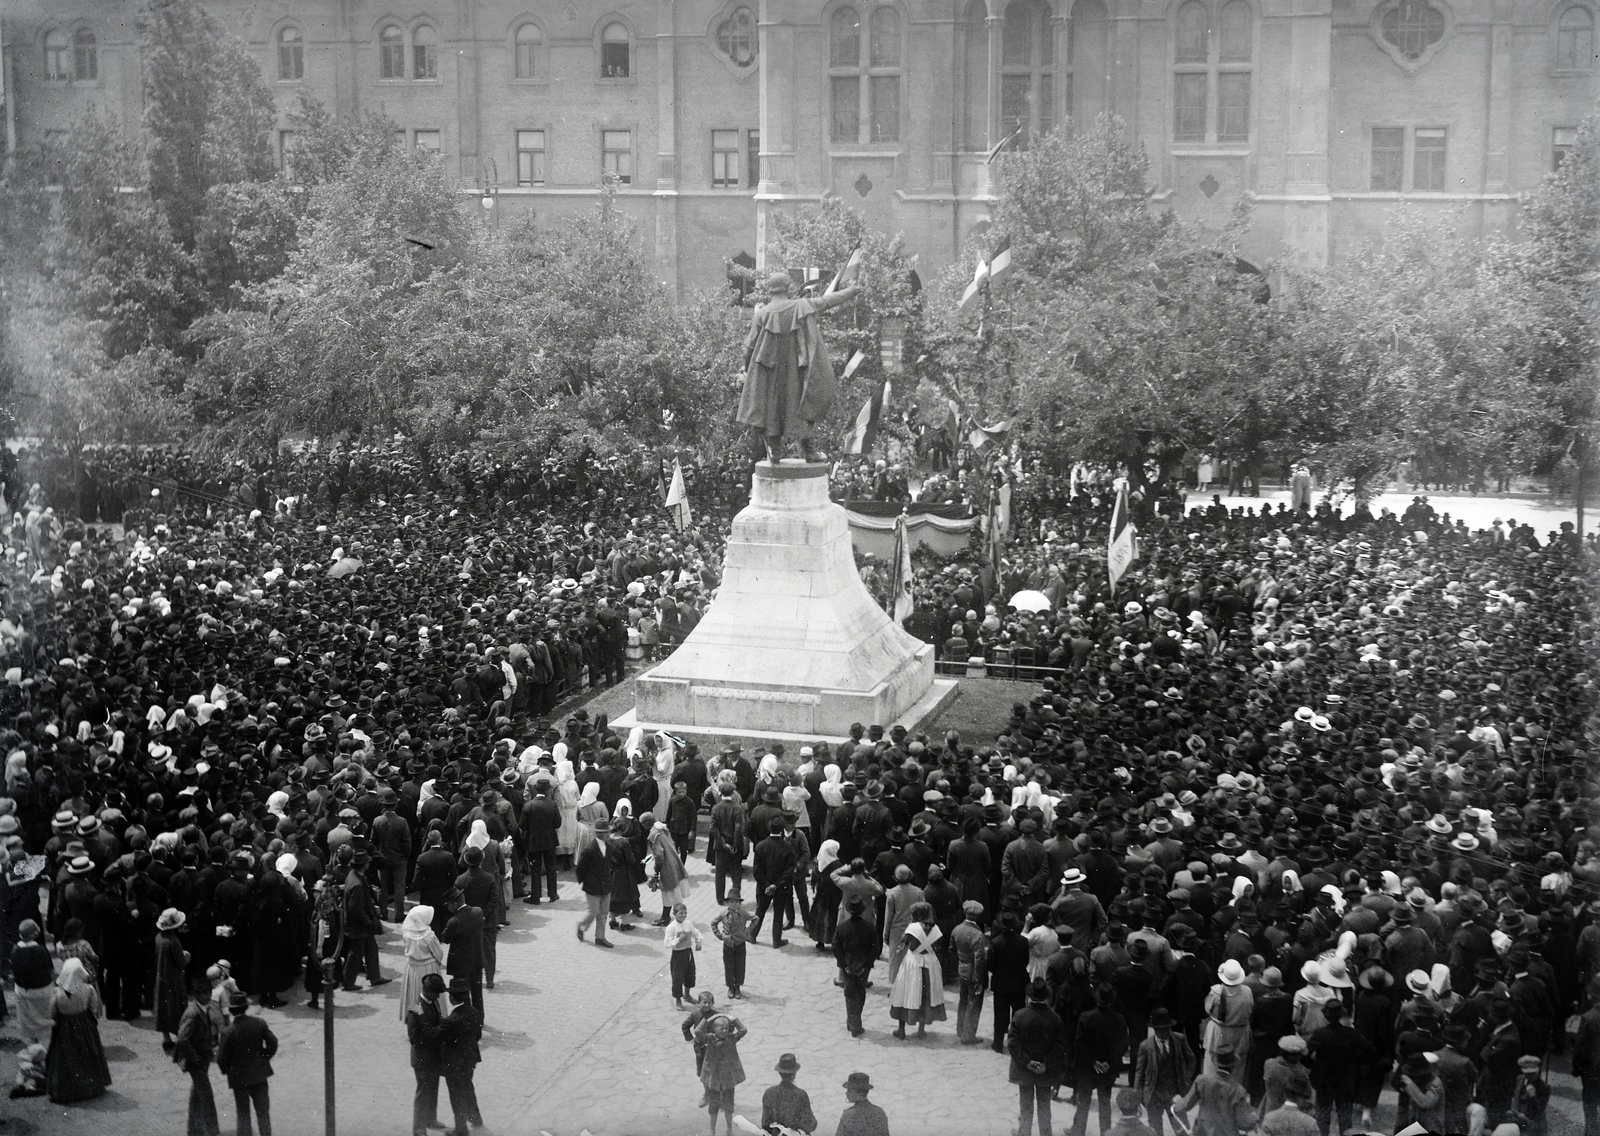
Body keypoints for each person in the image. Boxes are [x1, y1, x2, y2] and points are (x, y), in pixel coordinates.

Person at [738, 271, 861, 462]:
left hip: (770, 373)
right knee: (804, 403)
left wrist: (747, 370)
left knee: (772, 408)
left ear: (770, 289)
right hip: (797, 370)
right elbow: (828, 300)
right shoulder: (801, 305)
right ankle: (808, 450)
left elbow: (749, 348)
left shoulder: (762, 314)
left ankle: (774, 449)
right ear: (788, 288)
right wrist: (852, 290)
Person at [45, 957, 112, 1104]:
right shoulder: (88, 989)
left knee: (66, 1057)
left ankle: (68, 1091)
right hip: (84, 1025)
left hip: (64, 1028)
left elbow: (52, 1013)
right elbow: (94, 1007)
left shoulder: (57, 992)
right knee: (87, 1054)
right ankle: (90, 1088)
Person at [1008, 977, 1067, 1136]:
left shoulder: (1020, 1015)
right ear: (1046, 997)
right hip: (1045, 1072)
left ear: (1030, 996)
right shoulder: (1055, 1018)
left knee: (1025, 1106)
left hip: (1024, 1070)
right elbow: (1060, 1046)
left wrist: (1027, 1062)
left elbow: (1013, 1043)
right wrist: (1046, 1064)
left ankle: (1024, 1133)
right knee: (1044, 1106)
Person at [1305, 1000, 1374, 1136]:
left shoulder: (1319, 1033)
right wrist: (1356, 1062)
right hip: (1346, 1081)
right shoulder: (1351, 1033)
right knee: (1345, 1118)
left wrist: (1312, 1066)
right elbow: (1370, 1051)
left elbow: (1305, 1054)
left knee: (1322, 1117)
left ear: (1326, 1016)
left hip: (1324, 1081)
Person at [216, 991, 278, 1136]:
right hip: (259, 1076)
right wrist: (264, 1058)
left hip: (239, 1080)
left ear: (231, 1010)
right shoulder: (259, 1023)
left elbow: (221, 1058)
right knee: (263, 1115)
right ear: (246, 1008)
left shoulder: (228, 1031)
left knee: (243, 1116)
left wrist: (227, 1069)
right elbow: (273, 1042)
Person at [1071, 983, 1130, 1136]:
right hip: (1107, 1069)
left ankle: (1078, 1132)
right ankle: (1106, 1132)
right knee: (1105, 1103)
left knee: (1083, 1102)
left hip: (1087, 1068)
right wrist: (1108, 1062)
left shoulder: (1086, 1017)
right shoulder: (1119, 1019)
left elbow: (1079, 1043)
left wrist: (1093, 1061)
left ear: (1097, 999)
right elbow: (1123, 1044)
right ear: (1111, 1001)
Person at [176, 969, 225, 1136]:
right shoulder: (192, 1014)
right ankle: (212, 1132)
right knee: (206, 1097)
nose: (208, 996)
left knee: (197, 1095)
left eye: (209, 992)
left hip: (202, 1058)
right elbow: (182, 1039)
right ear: (196, 995)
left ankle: (194, 1130)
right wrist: (194, 1057)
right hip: (195, 1062)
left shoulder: (203, 1007)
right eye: (204, 993)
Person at [1134, 1007, 1196, 1136]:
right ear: (1155, 1029)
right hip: (1154, 1095)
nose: (1165, 1033)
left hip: (1175, 1093)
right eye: (1161, 1030)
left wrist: (1186, 1078)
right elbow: (1139, 1074)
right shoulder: (1145, 1046)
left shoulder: (1179, 1039)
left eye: (1167, 1029)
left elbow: (1191, 1059)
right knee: (1155, 1130)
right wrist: (1137, 1097)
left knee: (1182, 1129)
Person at [888, 901, 945, 1040]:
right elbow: (938, 946)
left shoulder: (912, 928)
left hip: (912, 965)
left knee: (905, 993)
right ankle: (921, 1030)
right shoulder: (936, 930)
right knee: (926, 996)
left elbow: (905, 941)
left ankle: (901, 1030)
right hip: (930, 966)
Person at [440, 976, 484, 1136]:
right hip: (470, 1059)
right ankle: (475, 1118)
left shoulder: (451, 1020)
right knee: (467, 1087)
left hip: (454, 1063)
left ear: (451, 997)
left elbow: (441, 1039)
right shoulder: (474, 1012)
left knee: (456, 1094)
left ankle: (461, 1128)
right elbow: (478, 1035)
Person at [1175, 1051, 1256, 1136]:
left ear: (1216, 1065)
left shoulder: (1202, 1080)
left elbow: (1186, 1104)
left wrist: (1176, 1106)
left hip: (1202, 1132)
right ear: (1232, 1067)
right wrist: (1254, 1119)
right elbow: (1242, 1122)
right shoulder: (1238, 1090)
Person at [834, 894, 881, 1037]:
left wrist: (843, 964)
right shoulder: (869, 927)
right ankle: (855, 1024)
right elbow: (875, 949)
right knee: (860, 993)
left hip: (847, 966)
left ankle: (852, 1022)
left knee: (849, 994)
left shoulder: (842, 927)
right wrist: (866, 965)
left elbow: (836, 946)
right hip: (863, 967)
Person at [695, 1011, 747, 1136]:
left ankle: (729, 1129)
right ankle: (712, 1129)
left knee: (729, 1106)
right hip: (714, 1078)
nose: (724, 1031)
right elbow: (697, 1032)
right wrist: (709, 1019)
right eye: (721, 1028)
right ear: (714, 1029)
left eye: (726, 1028)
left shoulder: (731, 1038)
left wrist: (733, 1019)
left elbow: (743, 1030)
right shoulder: (710, 1038)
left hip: (728, 1077)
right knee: (714, 1106)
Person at [408, 973, 447, 1136]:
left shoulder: (433, 1001)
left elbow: (437, 1020)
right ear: (428, 991)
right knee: (423, 1093)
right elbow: (414, 1038)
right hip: (423, 1059)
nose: (438, 996)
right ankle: (418, 1128)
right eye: (436, 993)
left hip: (434, 1057)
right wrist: (434, 1035)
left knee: (433, 1089)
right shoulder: (415, 1009)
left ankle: (431, 1119)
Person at [1204, 959, 1253, 1084]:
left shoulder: (1215, 991)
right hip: (1240, 1033)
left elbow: (1207, 1009)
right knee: (1237, 1066)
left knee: (1213, 1064)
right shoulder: (1247, 991)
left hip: (1218, 1031)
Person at [11, 919, 56, 1045]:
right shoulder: (41, 950)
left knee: (27, 1020)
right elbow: (51, 971)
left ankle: (32, 1046)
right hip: (42, 990)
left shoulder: (15, 950)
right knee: (45, 1020)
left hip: (22, 990)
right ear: (35, 933)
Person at [399, 904, 446, 1021]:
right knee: (431, 996)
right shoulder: (429, 936)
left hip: (412, 968)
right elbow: (438, 953)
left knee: (413, 995)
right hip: (428, 968)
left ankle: (414, 1021)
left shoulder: (407, 933)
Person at [575, 816, 616, 948]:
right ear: (599, 833)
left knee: (604, 913)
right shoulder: (589, 849)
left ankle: (600, 938)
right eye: (607, 832)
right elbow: (580, 868)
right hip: (592, 886)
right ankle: (581, 927)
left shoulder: (608, 847)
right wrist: (584, 881)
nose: (609, 834)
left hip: (606, 885)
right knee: (593, 912)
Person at [952, 900, 990, 1045]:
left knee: (963, 999)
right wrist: (978, 979)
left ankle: (960, 1029)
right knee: (973, 1003)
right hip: (973, 971)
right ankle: (968, 1035)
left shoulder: (957, 929)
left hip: (962, 967)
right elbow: (979, 960)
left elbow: (952, 949)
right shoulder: (978, 935)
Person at [519, 780, 562, 905]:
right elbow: (557, 824)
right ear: (548, 790)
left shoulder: (528, 805)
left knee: (535, 869)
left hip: (534, 841)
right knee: (551, 867)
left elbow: (523, 825)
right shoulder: (552, 805)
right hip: (550, 840)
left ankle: (535, 896)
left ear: (536, 790)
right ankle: (553, 894)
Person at [762, 1053, 818, 1135]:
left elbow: (765, 1124)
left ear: (779, 1073)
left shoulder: (769, 1093)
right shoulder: (801, 1095)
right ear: (794, 1074)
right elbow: (810, 1124)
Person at [665, 901, 705, 1007]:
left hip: (688, 952)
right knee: (677, 978)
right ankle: (678, 1000)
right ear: (674, 914)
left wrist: (698, 942)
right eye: (680, 913)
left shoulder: (688, 924)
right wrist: (678, 939)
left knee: (690, 974)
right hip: (678, 955)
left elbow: (696, 933)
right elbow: (667, 943)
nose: (683, 915)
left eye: (685, 913)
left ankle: (687, 995)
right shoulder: (671, 927)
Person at [1260, 1035, 1312, 1114]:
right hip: (1287, 1113)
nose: (1301, 1057)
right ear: (1291, 1055)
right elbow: (1308, 1093)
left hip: (1269, 1109)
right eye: (1299, 1055)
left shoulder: (1269, 1063)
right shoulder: (1297, 1073)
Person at [711, 895, 751, 999]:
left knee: (740, 965)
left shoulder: (743, 913)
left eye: (737, 902)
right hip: (728, 944)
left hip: (740, 943)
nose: (734, 904)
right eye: (732, 901)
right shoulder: (724, 914)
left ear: (740, 904)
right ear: (727, 903)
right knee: (729, 965)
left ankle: (737, 987)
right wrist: (720, 936)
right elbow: (713, 923)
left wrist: (747, 932)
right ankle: (730, 987)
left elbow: (755, 919)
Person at [834, 1071, 890, 1136]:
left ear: (860, 1095)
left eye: (849, 1091)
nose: (846, 1093)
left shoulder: (848, 1115)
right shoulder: (880, 1112)